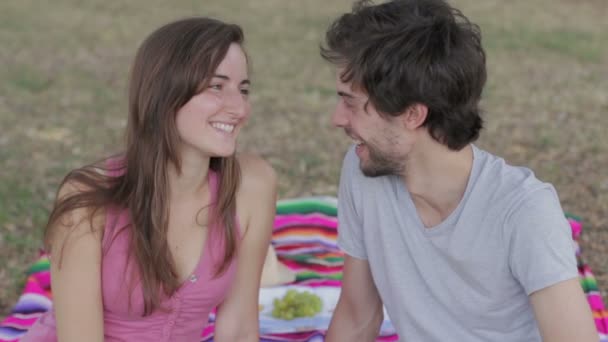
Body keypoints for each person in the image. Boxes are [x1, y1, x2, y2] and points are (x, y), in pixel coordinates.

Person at [320, 1, 598, 341]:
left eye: (350, 103)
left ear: (412, 115)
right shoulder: (364, 168)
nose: (337, 119)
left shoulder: (524, 211)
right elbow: (357, 315)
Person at [22, 17, 276, 342]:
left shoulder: (253, 185)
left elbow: (240, 327)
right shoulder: (87, 201)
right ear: (164, 93)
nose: (240, 108)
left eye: (243, 90)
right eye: (216, 86)